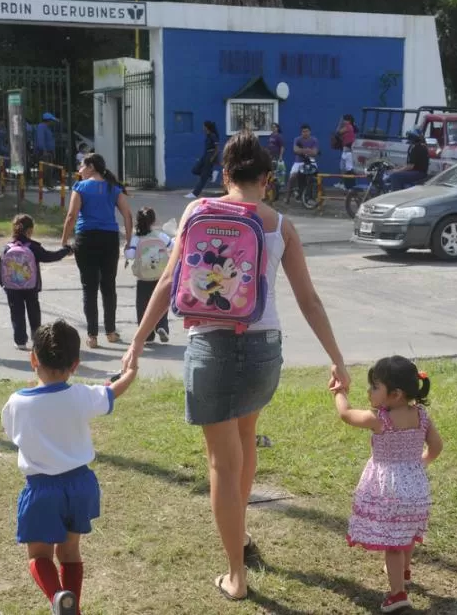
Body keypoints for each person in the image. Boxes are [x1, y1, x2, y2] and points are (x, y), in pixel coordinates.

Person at [121, 130, 350, 601]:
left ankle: (236, 575)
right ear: (267, 178)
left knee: (222, 463)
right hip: (265, 346)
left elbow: (168, 282)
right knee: (245, 440)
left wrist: (138, 341)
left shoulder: (197, 212)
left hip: (212, 347)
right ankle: (240, 538)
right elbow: (309, 301)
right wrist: (337, 359)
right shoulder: (280, 225)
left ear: (225, 175)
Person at [2, 320, 138, 615]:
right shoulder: (82, 395)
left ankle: (58, 598)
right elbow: (112, 393)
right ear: (75, 364)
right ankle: (72, 607)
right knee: (70, 551)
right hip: (80, 485)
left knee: (39, 555)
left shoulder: (16, 403)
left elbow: (13, 434)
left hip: (42, 489)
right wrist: (130, 372)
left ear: (33, 359)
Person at [334, 356, 443, 613]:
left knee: (392, 545)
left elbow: (346, 414)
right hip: (415, 488)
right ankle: (404, 572)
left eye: (374, 387)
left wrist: (339, 392)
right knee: (405, 535)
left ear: (395, 394)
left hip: (390, 491)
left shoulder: (379, 419)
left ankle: (398, 595)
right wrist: (421, 464)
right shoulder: (421, 416)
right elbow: (437, 447)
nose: (369, 391)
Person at [61, 153, 132, 349]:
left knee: (89, 287)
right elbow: (127, 215)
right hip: (109, 240)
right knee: (109, 286)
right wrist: (129, 241)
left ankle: (92, 336)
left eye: (81, 166)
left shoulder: (80, 187)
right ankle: (110, 332)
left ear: (91, 166)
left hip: (86, 239)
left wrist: (64, 241)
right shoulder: (113, 187)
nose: (79, 170)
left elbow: (71, 216)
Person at [0, 214, 73, 350]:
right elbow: (50, 256)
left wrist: (5, 286)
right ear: (29, 231)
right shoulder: (33, 247)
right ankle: (37, 339)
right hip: (30, 288)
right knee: (34, 312)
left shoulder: (7, 248)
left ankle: (20, 341)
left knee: (16, 313)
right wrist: (65, 251)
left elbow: (2, 271)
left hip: (12, 288)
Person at [124, 207, 172, 344]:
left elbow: (131, 255)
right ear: (154, 220)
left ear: (138, 221)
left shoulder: (136, 238)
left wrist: (125, 250)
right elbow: (173, 246)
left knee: (143, 306)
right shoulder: (160, 235)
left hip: (143, 278)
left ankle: (148, 334)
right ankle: (162, 326)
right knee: (161, 302)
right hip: (159, 276)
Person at [189, 121, 221, 199]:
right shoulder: (207, 135)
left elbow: (217, 149)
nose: (202, 128)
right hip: (205, 155)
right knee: (195, 170)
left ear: (207, 127)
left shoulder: (213, 136)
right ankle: (211, 173)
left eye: (203, 126)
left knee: (203, 177)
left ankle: (195, 194)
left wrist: (213, 158)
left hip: (210, 155)